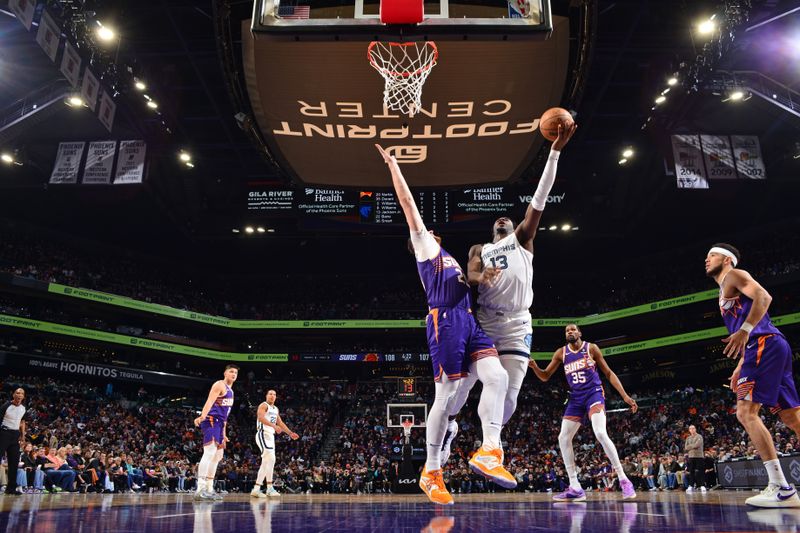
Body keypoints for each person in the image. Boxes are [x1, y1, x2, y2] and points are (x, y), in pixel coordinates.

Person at [375, 143, 516, 506]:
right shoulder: (424, 248)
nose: (431, 228)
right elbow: (408, 206)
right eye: (426, 229)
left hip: (468, 321)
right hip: (445, 322)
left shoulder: (448, 257)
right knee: (445, 396)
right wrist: (393, 167)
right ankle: (432, 469)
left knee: (497, 377)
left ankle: (490, 450)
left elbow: (472, 277)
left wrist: (485, 276)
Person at [443, 122, 577, 465]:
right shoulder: (481, 248)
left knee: (511, 394)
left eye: (509, 219)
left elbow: (540, 198)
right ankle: (450, 424)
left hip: (518, 324)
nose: (504, 219)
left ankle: (490, 442)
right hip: (485, 322)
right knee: (466, 384)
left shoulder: (523, 239)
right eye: (498, 220)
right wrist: (480, 276)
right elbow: (469, 273)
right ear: (492, 230)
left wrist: (555, 150)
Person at [706, 243, 800, 507]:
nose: (706, 259)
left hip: (762, 343)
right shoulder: (724, 287)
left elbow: (765, 297)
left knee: (745, 412)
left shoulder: (734, 275)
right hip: (769, 346)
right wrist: (740, 366)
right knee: (792, 416)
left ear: (727, 260)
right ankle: (782, 489)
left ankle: (781, 487)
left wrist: (746, 330)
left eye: (712, 255)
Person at [529, 324, 638, 501]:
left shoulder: (591, 348)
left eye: (573, 329)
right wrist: (534, 367)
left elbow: (608, 373)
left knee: (600, 433)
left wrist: (625, 396)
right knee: (563, 438)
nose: (570, 332)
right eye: (567, 330)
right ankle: (575, 486)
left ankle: (624, 480)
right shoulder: (561, 353)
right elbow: (545, 376)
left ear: (579, 333)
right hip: (576, 398)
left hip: (593, 393)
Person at [193, 364, 238, 500]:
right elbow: (209, 401)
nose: (233, 374)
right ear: (225, 373)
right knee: (209, 452)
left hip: (219, 424)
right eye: (231, 371)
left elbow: (225, 416)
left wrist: (223, 434)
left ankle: (209, 488)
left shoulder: (231, 391)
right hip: (211, 420)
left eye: (235, 372)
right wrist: (202, 416)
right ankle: (200, 488)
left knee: (218, 456)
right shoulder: (219, 385)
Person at [251, 389, 299, 498]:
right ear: (266, 395)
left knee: (267, 461)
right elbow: (260, 417)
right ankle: (269, 488)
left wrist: (290, 433)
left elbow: (280, 423)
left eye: (274, 394)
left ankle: (257, 488)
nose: (272, 396)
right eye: (270, 394)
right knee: (271, 459)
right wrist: (273, 426)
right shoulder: (263, 405)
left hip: (270, 436)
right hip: (263, 433)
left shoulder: (275, 409)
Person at [0, 388, 27, 496]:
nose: (19, 394)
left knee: (14, 463)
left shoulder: (23, 408)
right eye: (17, 392)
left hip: (15, 435)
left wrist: (23, 436)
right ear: (13, 394)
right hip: (4, 433)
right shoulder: (6, 406)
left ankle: (11, 488)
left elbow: (22, 421)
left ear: (23, 396)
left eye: (21, 393)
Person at [685, 425, 706, 492]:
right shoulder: (688, 438)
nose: (692, 430)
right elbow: (686, 447)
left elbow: (697, 445)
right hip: (691, 457)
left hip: (699, 456)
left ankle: (702, 485)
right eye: (690, 429)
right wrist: (692, 446)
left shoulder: (699, 436)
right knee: (691, 472)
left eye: (693, 428)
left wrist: (690, 446)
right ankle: (691, 485)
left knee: (701, 471)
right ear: (689, 430)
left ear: (695, 429)